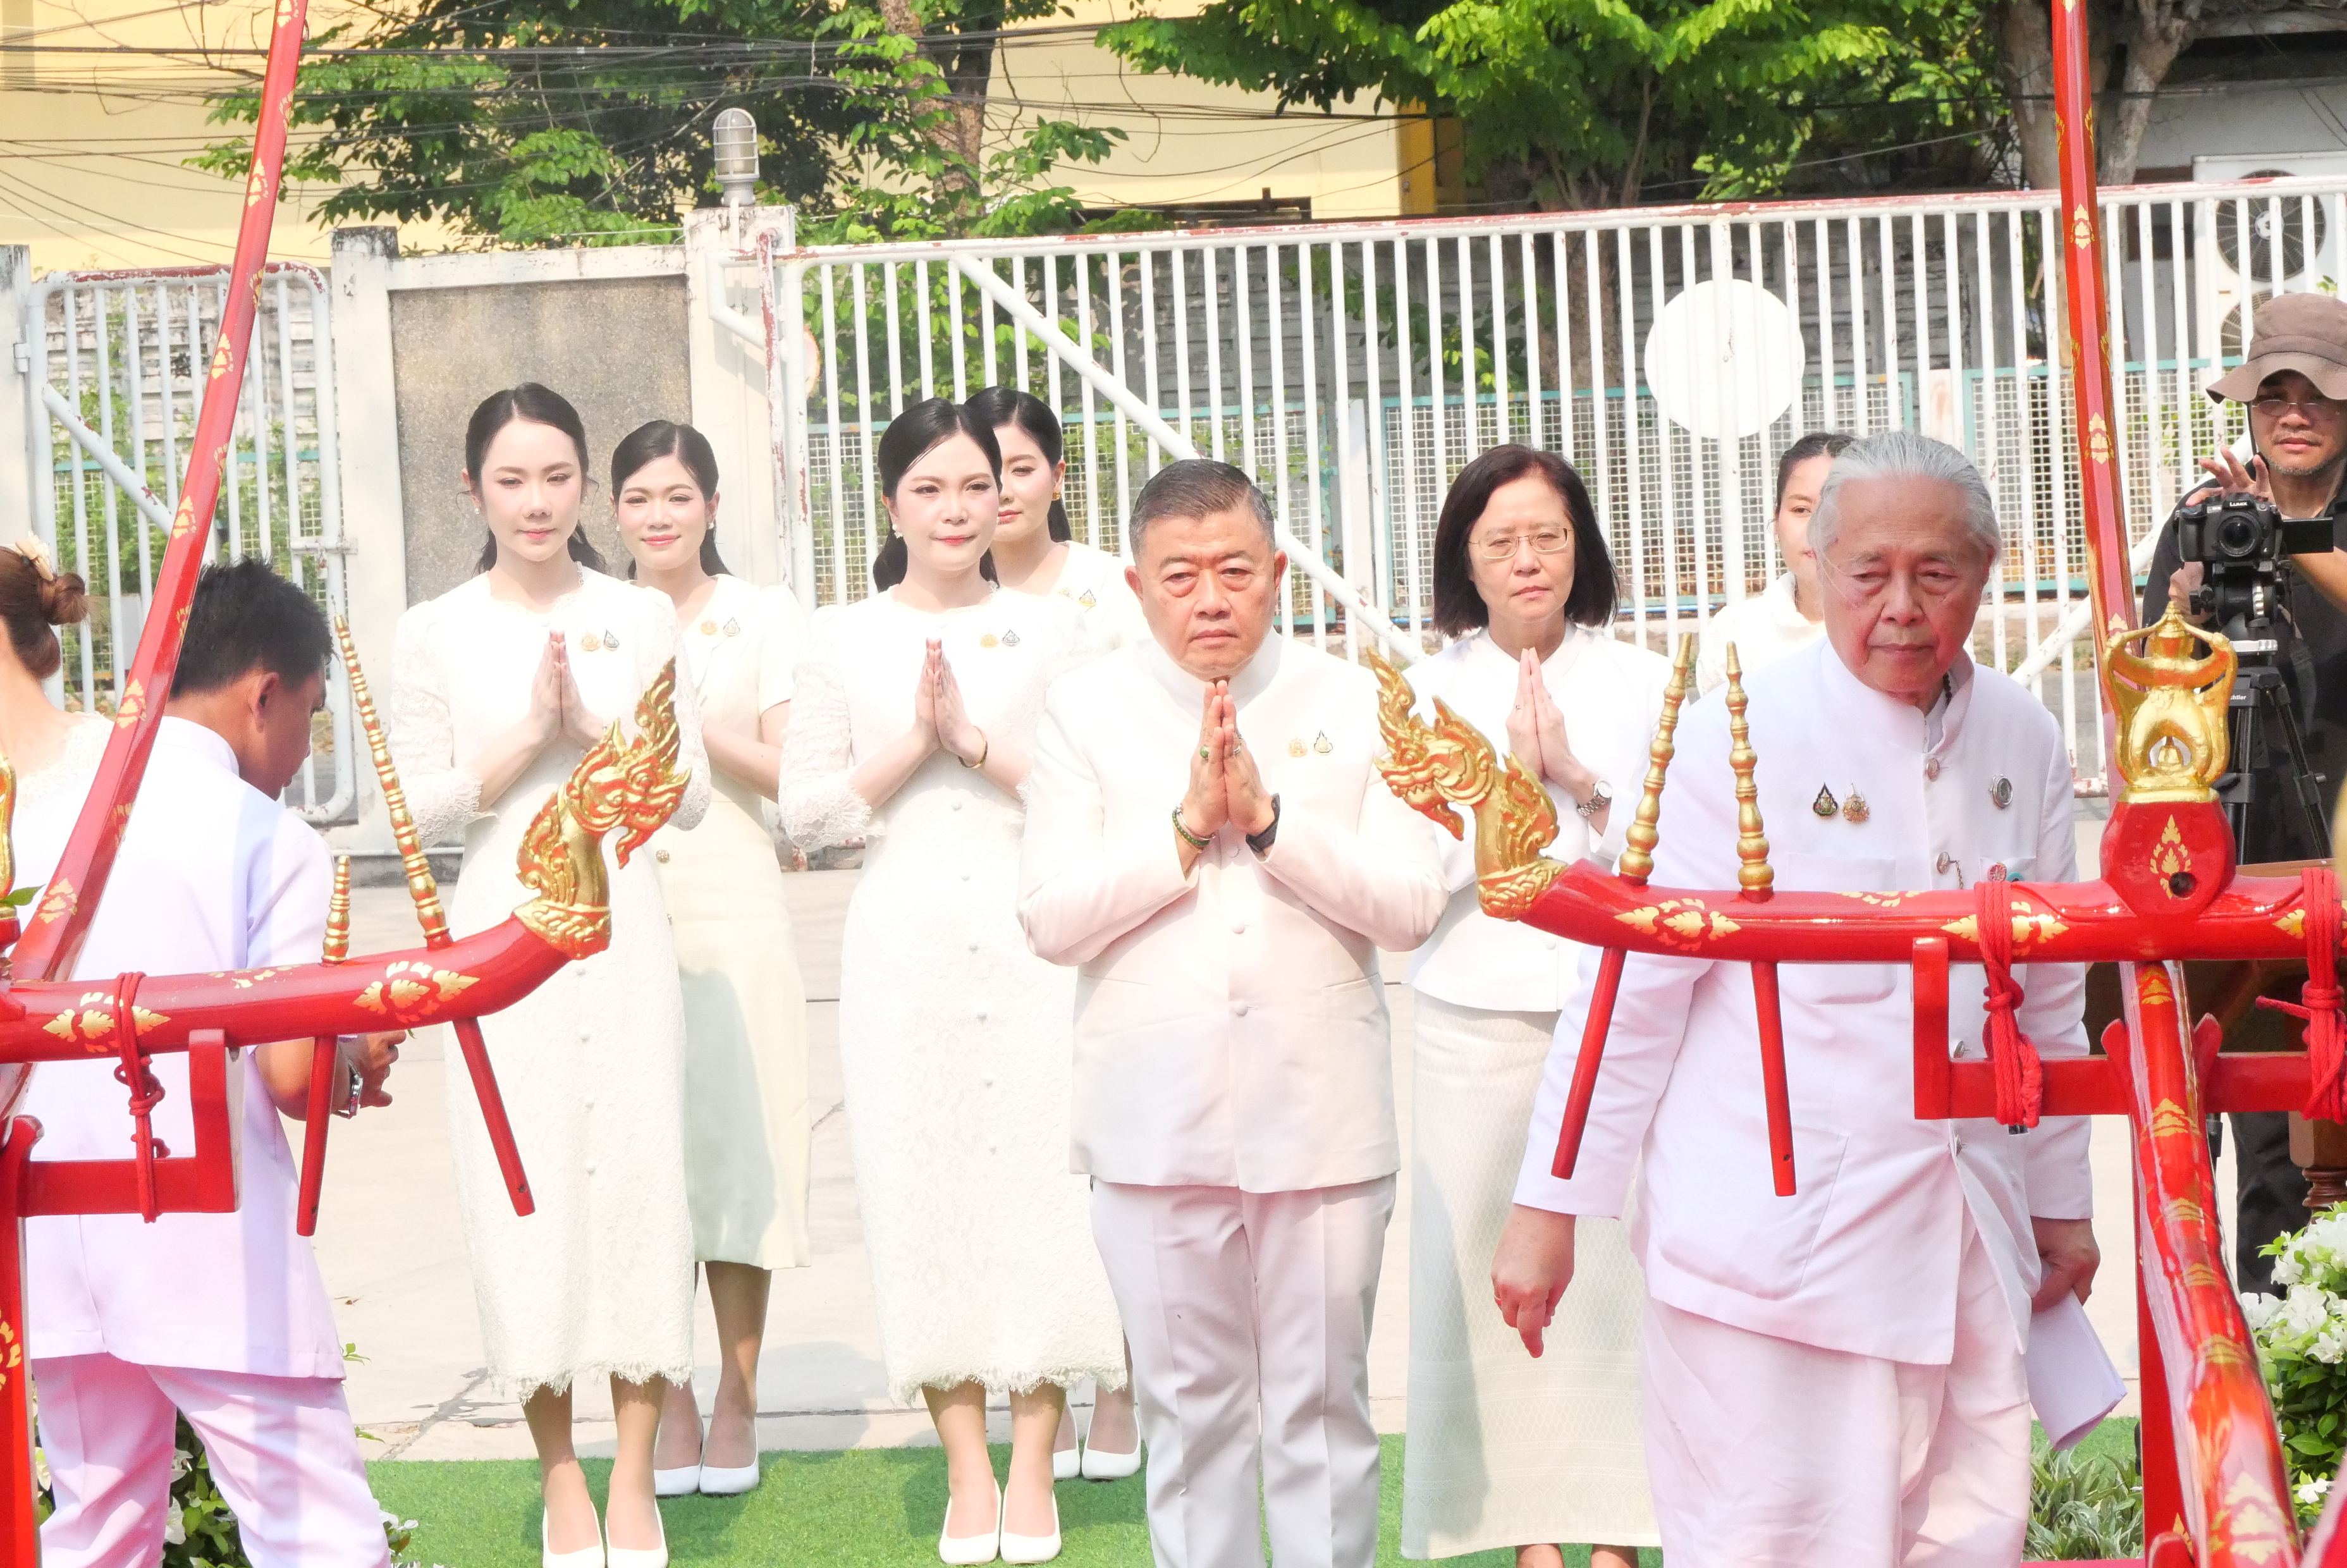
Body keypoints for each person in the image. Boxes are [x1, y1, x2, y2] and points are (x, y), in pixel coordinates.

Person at [1494, 431, 2098, 1567]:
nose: (1903, 606)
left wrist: (2060, 1207)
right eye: (1869, 573)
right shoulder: (1729, 732)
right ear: (1817, 569)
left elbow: (2052, 998)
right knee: (1763, 1542)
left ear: (1987, 570)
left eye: (1938, 572)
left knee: (1967, 1536)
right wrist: (1548, 1207)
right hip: (1769, 1247)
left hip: (1966, 1226)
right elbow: (1629, 986)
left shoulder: (2023, 733)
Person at [1019, 458, 1446, 1568]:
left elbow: (1408, 905)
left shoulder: (1359, 702)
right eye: (1180, 575)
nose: (1209, 598)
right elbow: (1051, 916)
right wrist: (1178, 831)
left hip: (1322, 1118)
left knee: (1320, 1412)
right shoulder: (1084, 710)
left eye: (1233, 571)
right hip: (1153, 1125)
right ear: (1135, 582)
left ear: (1279, 573)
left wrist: (1267, 824)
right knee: (1190, 1418)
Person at [778, 397, 1123, 1567]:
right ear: (890, 503)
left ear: (1012, 496)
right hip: (901, 940)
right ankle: (964, 1468)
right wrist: (913, 745)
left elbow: (1095, 794)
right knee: (921, 1186)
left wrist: (974, 741)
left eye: (977, 486)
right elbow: (808, 811)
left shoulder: (1058, 631)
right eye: (929, 489)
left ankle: (1034, 1462)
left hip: (1032, 935)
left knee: (1041, 1187)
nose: (958, 509)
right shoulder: (838, 637)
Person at [25, 558, 403, 1568]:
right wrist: (357, 1048)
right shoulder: (263, 831)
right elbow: (289, 1070)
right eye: (309, 716)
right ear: (263, 692)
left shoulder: (38, 812)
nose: (302, 748)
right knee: (318, 1530)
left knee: (96, 1530)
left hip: (52, 1228)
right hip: (207, 1235)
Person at [389, 383, 709, 1568]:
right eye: (512, 480)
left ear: (586, 486)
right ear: (472, 489)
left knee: (636, 1184)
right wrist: (531, 735)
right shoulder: (433, 629)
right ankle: (559, 1473)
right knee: (518, 1198)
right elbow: (410, 808)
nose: (537, 501)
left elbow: (696, 793)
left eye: (557, 477)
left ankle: (632, 1478)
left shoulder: (638, 611)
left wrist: (607, 736)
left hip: (623, 924)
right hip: (497, 930)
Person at [1398, 445, 1669, 1568]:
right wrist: (1505, 794)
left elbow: (1670, 858)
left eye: (1548, 538)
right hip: (1473, 1023)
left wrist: (1573, 775)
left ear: (1581, 548)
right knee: (1485, 1283)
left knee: (1621, 1296)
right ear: (1465, 555)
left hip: (1617, 1022)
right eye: (1500, 541)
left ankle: (1617, 1539)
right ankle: (1531, 1544)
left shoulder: (1647, 679)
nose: (1526, 562)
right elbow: (1409, 877)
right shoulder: (1425, 691)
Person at [608, 420, 810, 1500]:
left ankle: (737, 1395)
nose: (658, 515)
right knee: (645, 1161)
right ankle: (667, 1391)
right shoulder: (595, 619)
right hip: (621, 901)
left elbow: (793, 773)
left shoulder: (760, 616)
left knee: (735, 1160)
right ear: (616, 512)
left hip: (733, 897)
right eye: (638, 497)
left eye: (677, 495)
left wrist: (688, 717)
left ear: (713, 506)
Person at [2140, 290, 2347, 1291]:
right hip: (2233, 865)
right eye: (2274, 396)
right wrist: (2183, 616)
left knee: (2317, 1142)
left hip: (2340, 861)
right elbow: (2146, 701)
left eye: (2317, 395)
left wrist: (2296, 536)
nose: (2294, 414)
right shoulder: (2205, 526)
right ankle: (2246, 1373)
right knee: (2238, 1124)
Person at [963, 386, 1148, 652]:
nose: (1003, 491)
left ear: (1057, 477)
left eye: (1022, 470)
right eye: (984, 474)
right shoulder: (941, 592)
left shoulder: (1113, 584)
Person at [1695, 430, 1856, 695]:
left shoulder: (1892, 629)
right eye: (1801, 510)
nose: (1818, 528)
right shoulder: (1737, 633)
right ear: (1777, 520)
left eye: (1837, 509)